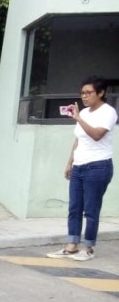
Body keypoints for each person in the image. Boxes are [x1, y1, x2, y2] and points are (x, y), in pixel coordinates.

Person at [47, 75, 116, 262]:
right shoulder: (84, 113)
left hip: (98, 166)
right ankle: (71, 245)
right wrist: (70, 162)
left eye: (89, 93)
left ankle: (89, 247)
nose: (84, 97)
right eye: (82, 93)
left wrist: (78, 118)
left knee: (91, 209)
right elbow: (79, 139)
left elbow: (96, 135)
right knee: (74, 207)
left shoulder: (108, 112)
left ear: (101, 93)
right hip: (79, 165)